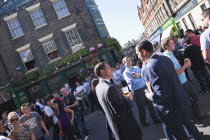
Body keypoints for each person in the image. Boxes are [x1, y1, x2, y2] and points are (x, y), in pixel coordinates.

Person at [136, 40, 202, 140]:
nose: (138, 56)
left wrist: (151, 96)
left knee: (180, 136)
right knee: (190, 128)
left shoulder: (151, 66)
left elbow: (161, 95)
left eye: (138, 53)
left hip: (170, 109)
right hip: (180, 101)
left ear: (143, 51)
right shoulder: (164, 58)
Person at [94, 62, 142, 140]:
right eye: (109, 68)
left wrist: (121, 97)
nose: (112, 69)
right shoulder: (109, 88)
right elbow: (122, 109)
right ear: (102, 71)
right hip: (127, 129)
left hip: (118, 128)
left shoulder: (99, 86)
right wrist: (128, 98)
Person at [122, 57, 160, 127]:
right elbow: (132, 82)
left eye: (130, 60)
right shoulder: (125, 73)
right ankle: (143, 121)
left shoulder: (136, 67)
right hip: (137, 92)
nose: (129, 61)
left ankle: (155, 118)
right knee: (141, 108)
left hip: (145, 88)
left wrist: (138, 76)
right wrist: (140, 77)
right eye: (127, 61)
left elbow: (144, 75)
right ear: (124, 63)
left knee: (150, 104)